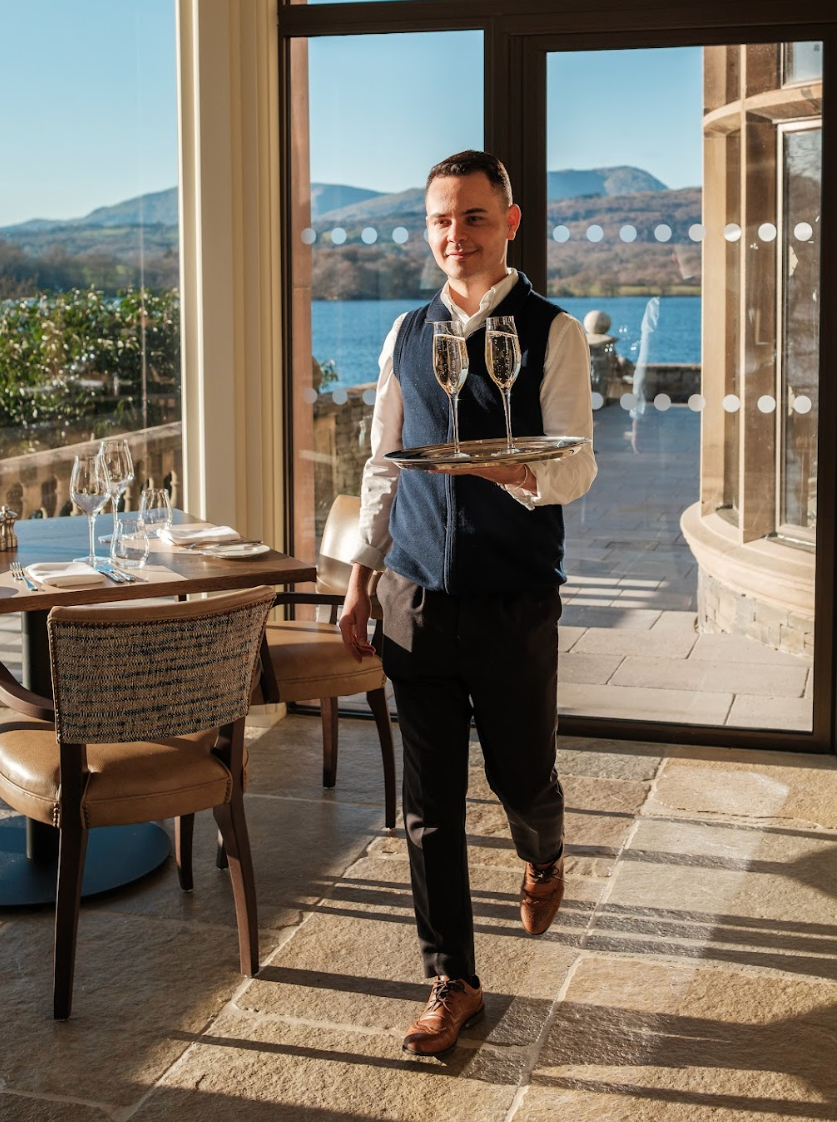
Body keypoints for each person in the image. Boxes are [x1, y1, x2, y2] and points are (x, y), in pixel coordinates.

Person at [338, 150, 597, 1056]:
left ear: (511, 222)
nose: (458, 236)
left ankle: (545, 853)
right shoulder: (404, 333)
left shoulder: (553, 331)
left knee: (521, 774)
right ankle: (451, 980)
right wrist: (361, 576)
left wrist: (510, 468)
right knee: (428, 805)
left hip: (514, 598)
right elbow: (383, 464)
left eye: (476, 217)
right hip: (413, 595)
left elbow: (580, 465)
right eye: (443, 220)